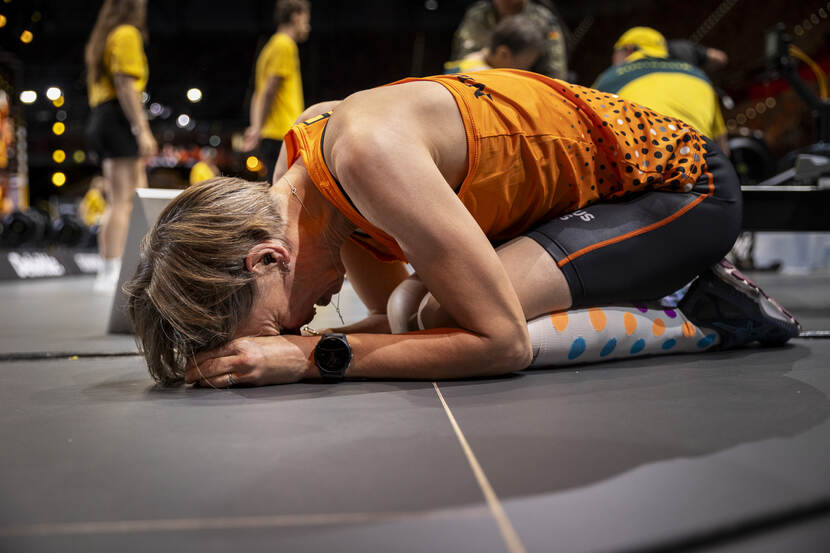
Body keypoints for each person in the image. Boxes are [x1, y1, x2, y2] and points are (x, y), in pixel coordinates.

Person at [125, 69, 799, 388]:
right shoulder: (304, 181)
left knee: (451, 308)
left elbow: (499, 342)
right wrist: (294, 348)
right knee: (411, 307)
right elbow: (397, 324)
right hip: (587, 203)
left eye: (280, 322)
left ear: (268, 257)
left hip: (684, 185)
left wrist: (308, 357)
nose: (306, 321)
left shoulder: (366, 155)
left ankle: (705, 311)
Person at [85, 0, 157, 292]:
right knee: (123, 201)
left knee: (132, 196)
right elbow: (126, 85)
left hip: (104, 116)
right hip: (118, 118)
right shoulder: (127, 34)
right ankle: (112, 269)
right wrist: (142, 130)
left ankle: (118, 266)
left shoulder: (105, 37)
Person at [593, 27, 728, 154]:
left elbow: (586, 130)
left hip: (643, 168)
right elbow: (721, 144)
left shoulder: (610, 78)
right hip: (700, 165)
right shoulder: (699, 76)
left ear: (628, 50)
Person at [242, 0, 311, 182]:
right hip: (284, 133)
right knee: (285, 193)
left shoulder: (270, 47)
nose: (308, 26)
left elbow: (259, 93)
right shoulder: (284, 45)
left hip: (272, 135)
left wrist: (256, 126)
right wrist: (257, 128)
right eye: (306, 20)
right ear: (295, 17)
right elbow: (269, 90)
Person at [452, 0, 568, 80]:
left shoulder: (543, 19)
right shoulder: (478, 15)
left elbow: (555, 71)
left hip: (530, 86)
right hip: (483, 80)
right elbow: (464, 56)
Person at [444, 15, 546, 74]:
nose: (527, 70)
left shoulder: (471, 61)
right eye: (524, 65)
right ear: (503, 53)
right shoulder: (480, 76)